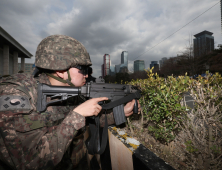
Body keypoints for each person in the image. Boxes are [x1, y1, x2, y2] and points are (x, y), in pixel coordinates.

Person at [0, 35, 141, 170]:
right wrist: (77, 115)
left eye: (88, 70)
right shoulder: (16, 93)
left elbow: (91, 119)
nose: (87, 75)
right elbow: (29, 161)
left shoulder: (70, 90)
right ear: (61, 70)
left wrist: (121, 113)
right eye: (83, 69)